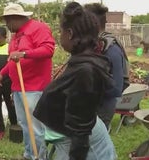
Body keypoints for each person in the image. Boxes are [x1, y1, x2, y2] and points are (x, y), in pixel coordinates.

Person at [33, 2, 116, 160]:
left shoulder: (85, 71)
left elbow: (81, 133)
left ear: (69, 33)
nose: (59, 36)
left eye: (60, 31)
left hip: (83, 147)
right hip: (71, 139)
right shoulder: (82, 62)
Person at [0, 3, 55, 160]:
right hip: (19, 87)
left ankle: (39, 157)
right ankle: (29, 154)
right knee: (25, 124)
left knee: (35, 127)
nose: (6, 25)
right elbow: (13, 59)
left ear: (16, 18)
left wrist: (24, 54)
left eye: (7, 21)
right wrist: (2, 73)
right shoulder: (16, 35)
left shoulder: (38, 28)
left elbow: (48, 50)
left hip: (35, 88)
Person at [84, 3, 129, 129]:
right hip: (87, 106)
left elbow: (116, 88)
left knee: (95, 146)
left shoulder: (111, 49)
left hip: (101, 108)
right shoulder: (89, 45)